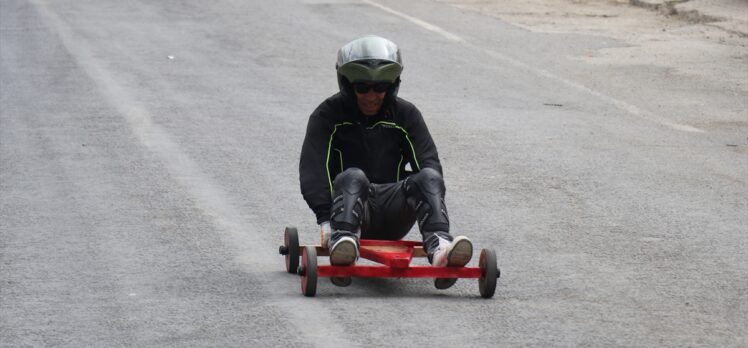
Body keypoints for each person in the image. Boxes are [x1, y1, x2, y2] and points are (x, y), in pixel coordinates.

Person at [299, 35, 472, 289]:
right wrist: (325, 219)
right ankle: (343, 244)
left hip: (394, 212)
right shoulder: (327, 116)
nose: (372, 96)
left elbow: (429, 166)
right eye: (362, 87)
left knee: (429, 176)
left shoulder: (406, 115)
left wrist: (428, 193)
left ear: (391, 87)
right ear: (347, 85)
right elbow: (313, 169)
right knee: (353, 176)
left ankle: (441, 248)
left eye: (380, 88)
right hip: (349, 211)